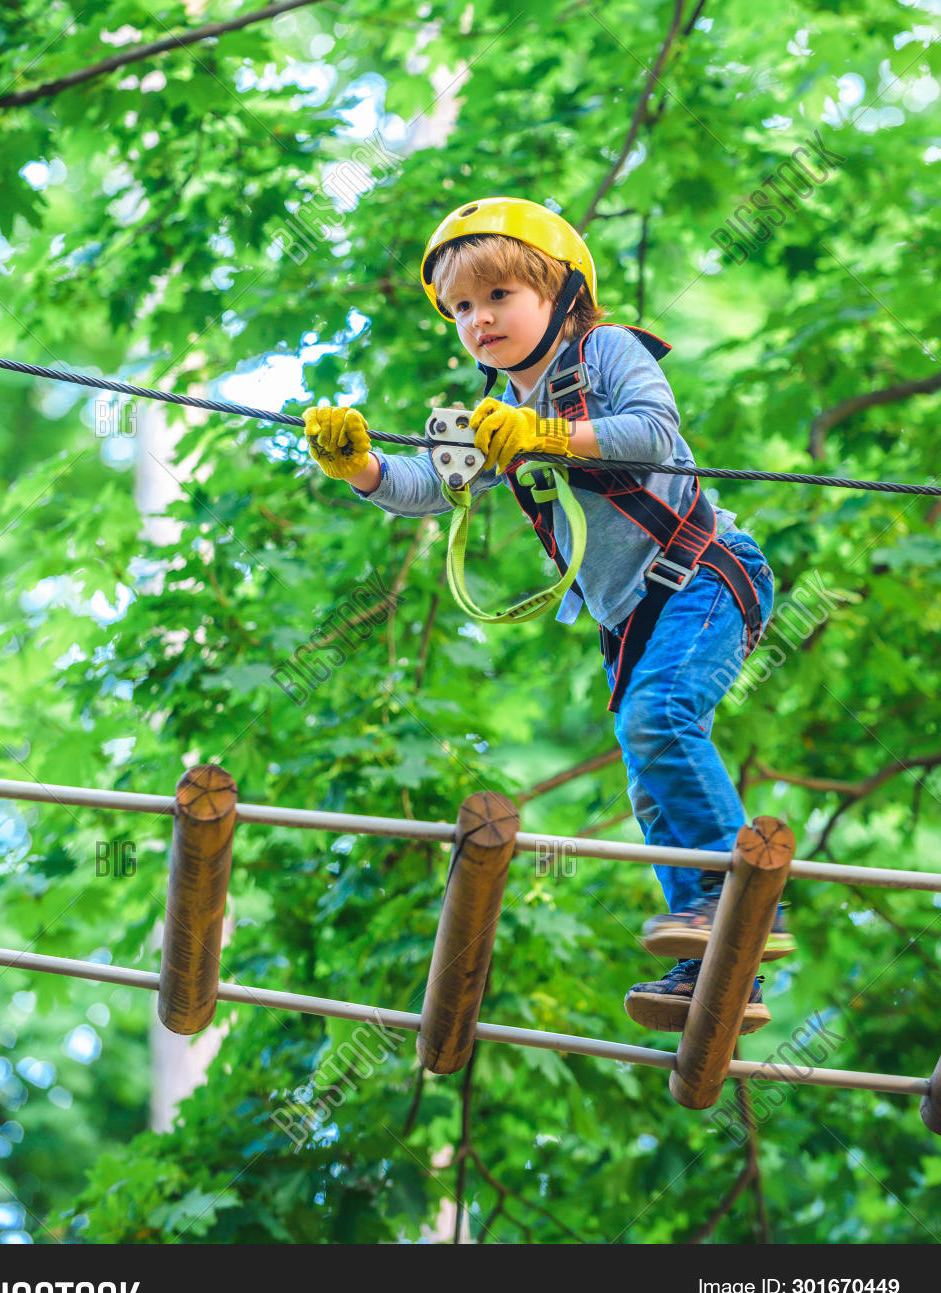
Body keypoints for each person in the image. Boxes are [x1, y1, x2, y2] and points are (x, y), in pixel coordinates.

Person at [303, 196, 788, 1032]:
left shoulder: (605, 352)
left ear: (561, 296)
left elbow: (654, 434)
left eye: (498, 296)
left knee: (658, 719)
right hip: (631, 615)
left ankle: (737, 901)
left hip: (704, 573)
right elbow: (429, 488)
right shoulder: (487, 417)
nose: (478, 320)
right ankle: (714, 963)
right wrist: (362, 470)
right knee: (649, 774)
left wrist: (545, 435)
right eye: (461, 307)